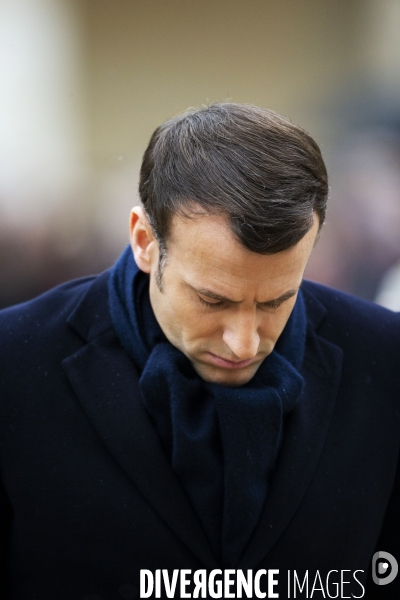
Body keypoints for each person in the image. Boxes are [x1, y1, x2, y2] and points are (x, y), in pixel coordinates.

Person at [0, 103, 399, 600]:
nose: (245, 342)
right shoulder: (14, 364)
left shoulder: (385, 360)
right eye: (213, 299)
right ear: (145, 241)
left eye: (278, 300)